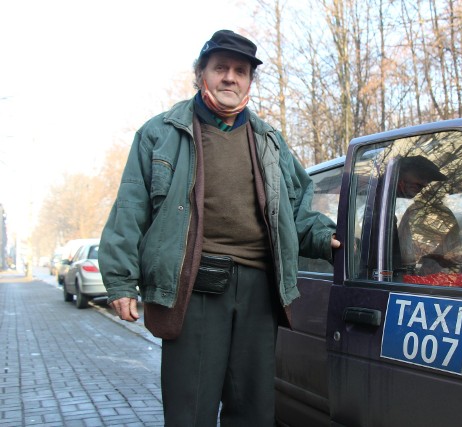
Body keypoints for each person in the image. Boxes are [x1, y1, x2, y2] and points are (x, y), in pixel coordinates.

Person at [98, 29, 340, 427]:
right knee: (189, 410)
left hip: (260, 291)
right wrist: (121, 281)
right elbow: (129, 209)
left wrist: (323, 237)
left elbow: (295, 210)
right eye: (221, 68)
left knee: (254, 410)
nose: (230, 77)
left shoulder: (270, 142)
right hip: (194, 286)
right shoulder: (160, 133)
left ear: (249, 81)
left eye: (241, 71)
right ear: (201, 74)